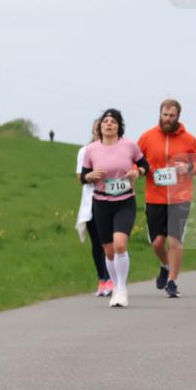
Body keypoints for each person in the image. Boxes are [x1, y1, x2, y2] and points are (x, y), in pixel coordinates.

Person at [79, 109, 149, 308]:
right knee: (109, 251)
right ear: (100, 127)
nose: (109, 124)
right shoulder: (91, 150)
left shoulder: (129, 146)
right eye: (105, 121)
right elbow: (83, 177)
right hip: (101, 203)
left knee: (120, 245)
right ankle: (116, 286)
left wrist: (138, 172)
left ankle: (122, 288)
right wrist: (90, 176)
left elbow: (145, 165)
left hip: (124, 202)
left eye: (113, 121)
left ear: (119, 126)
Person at [137, 99, 196, 298]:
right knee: (157, 242)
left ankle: (173, 282)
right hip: (155, 196)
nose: (167, 119)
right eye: (165, 115)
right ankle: (165, 265)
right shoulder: (147, 137)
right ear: (160, 114)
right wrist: (139, 170)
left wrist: (188, 168)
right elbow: (135, 160)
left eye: (171, 116)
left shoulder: (189, 139)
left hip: (180, 198)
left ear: (178, 117)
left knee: (175, 240)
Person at [75, 119, 112, 297]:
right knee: (97, 243)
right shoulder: (85, 151)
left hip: (111, 200)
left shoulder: (115, 150)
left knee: (109, 242)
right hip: (91, 202)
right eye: (97, 129)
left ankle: (111, 278)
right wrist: (91, 176)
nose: (99, 132)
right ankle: (102, 279)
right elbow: (80, 177)